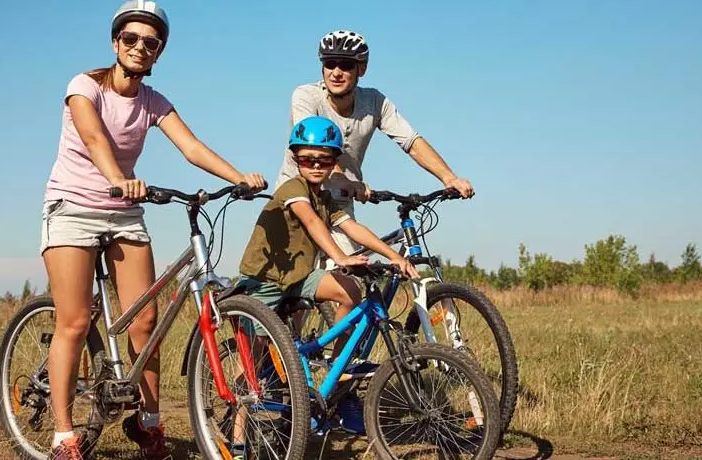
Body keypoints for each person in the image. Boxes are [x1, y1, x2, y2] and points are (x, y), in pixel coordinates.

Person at [39, 1, 264, 458]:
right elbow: (94, 138)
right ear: (115, 43)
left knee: (145, 322)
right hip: (72, 209)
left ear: (159, 52)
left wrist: (239, 177)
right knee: (75, 321)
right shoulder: (84, 86)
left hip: (124, 213)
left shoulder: (153, 102)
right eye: (131, 39)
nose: (140, 47)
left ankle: (149, 422)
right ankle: (64, 434)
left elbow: (192, 147)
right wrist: (117, 178)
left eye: (151, 42)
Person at [236, 116, 420, 437]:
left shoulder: (324, 197)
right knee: (250, 365)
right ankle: (238, 435)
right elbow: (311, 222)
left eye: (324, 159)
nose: (316, 165)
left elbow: (352, 227)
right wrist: (341, 257)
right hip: (264, 281)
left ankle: (338, 372)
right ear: (296, 158)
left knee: (349, 290)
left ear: (335, 161)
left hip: (298, 278)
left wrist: (394, 256)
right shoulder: (292, 188)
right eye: (307, 159)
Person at [275, 29, 475, 264]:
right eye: (330, 64)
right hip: (299, 196)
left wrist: (449, 178)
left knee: (353, 275)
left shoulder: (375, 102)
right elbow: (315, 149)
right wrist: (345, 181)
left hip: (340, 201)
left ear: (361, 69)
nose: (336, 72)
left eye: (346, 65)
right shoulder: (306, 96)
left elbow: (411, 141)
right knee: (294, 277)